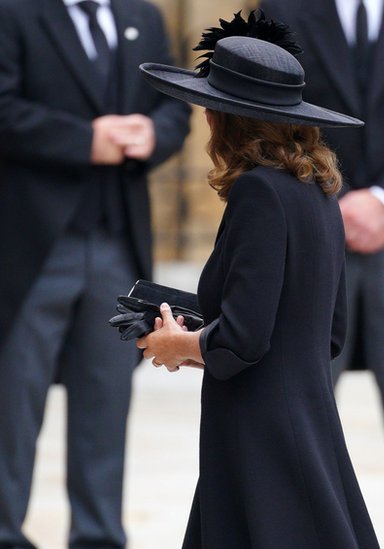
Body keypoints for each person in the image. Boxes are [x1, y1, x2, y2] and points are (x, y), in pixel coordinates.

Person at [133, 18, 380, 548]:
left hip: (258, 433)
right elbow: (327, 333)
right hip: (303, 421)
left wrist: (177, 344)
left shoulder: (259, 194)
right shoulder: (319, 192)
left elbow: (244, 337)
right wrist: (203, 342)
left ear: (227, 118)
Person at [257, 1, 384, 546]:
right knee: (304, 401)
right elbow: (274, 112)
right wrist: (338, 201)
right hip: (316, 232)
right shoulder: (284, 7)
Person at [0, 0, 190, 545]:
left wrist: (156, 135)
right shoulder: (14, 13)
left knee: (106, 403)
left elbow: (175, 107)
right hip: (32, 249)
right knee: (13, 403)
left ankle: (99, 536)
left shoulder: (145, 17)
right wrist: (84, 140)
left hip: (116, 247)